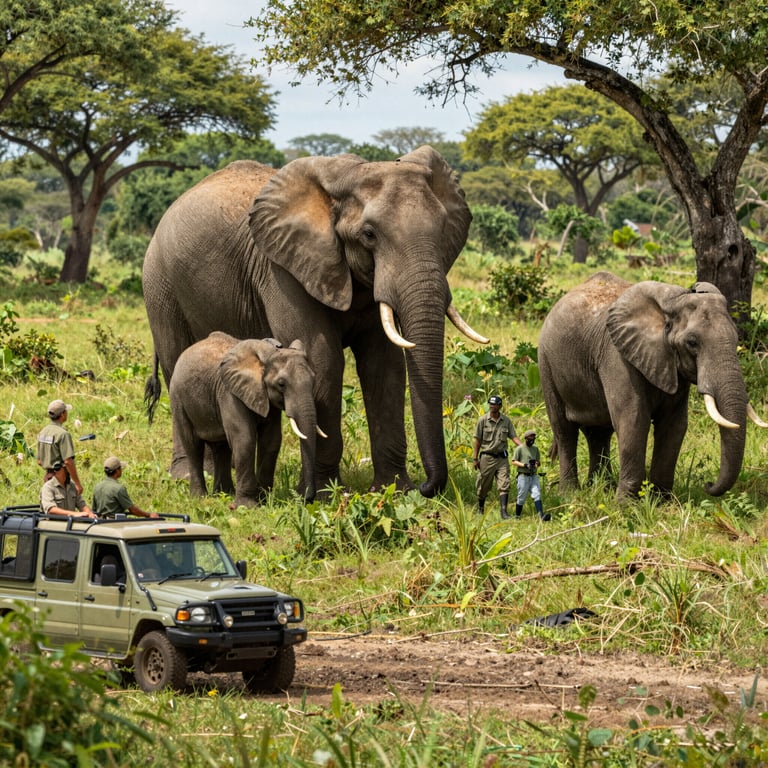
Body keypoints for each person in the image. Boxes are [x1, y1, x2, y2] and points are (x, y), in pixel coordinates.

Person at [472, 395, 522, 519]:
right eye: (490, 404)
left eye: (495, 404)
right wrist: (475, 458)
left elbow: (513, 436)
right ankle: (480, 507)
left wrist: (523, 446)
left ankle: (504, 512)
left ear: (500, 406)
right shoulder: (482, 420)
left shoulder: (506, 421)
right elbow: (477, 440)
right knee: (483, 485)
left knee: (504, 483)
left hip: (501, 458)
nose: (492, 406)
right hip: (487, 458)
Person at [37, 399, 84, 495]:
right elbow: (68, 461)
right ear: (62, 414)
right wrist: (77, 483)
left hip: (48, 478)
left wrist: (50, 471)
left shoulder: (43, 432)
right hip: (60, 479)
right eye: (66, 411)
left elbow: (39, 461)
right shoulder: (63, 434)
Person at [93, 456, 158, 518]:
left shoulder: (97, 487)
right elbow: (133, 510)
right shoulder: (119, 488)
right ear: (117, 470)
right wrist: (148, 515)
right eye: (120, 468)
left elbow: (94, 509)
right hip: (115, 524)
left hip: (100, 523)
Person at [511, 429, 551, 521]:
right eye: (530, 438)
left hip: (533, 475)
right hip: (523, 476)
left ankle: (541, 515)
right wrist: (525, 465)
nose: (532, 440)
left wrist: (535, 465)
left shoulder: (535, 449)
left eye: (533, 438)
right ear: (526, 438)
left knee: (537, 494)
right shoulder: (520, 449)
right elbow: (514, 461)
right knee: (521, 497)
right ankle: (517, 516)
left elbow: (538, 461)